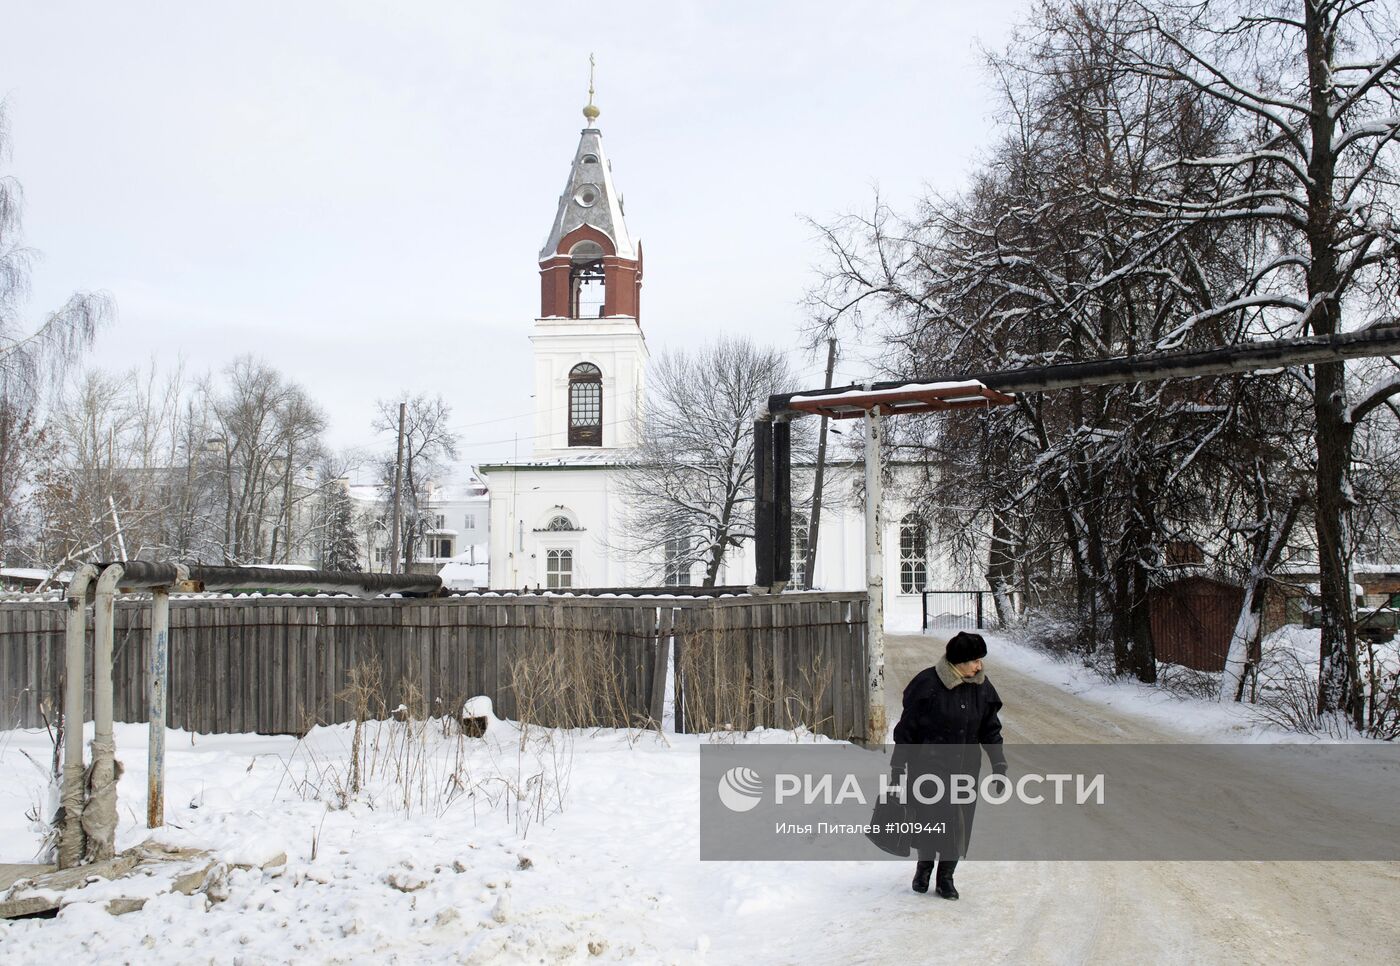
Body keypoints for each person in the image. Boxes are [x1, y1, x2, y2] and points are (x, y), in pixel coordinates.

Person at [892, 630, 1007, 899]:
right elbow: (907, 729)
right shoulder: (928, 684)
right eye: (975, 660)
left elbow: (990, 729)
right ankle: (924, 868)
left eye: (981, 660)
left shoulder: (983, 688)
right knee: (929, 819)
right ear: (959, 661)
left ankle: (946, 877)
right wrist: (898, 767)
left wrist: (999, 764)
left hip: (966, 767)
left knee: (959, 821)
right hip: (929, 766)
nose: (980, 666)